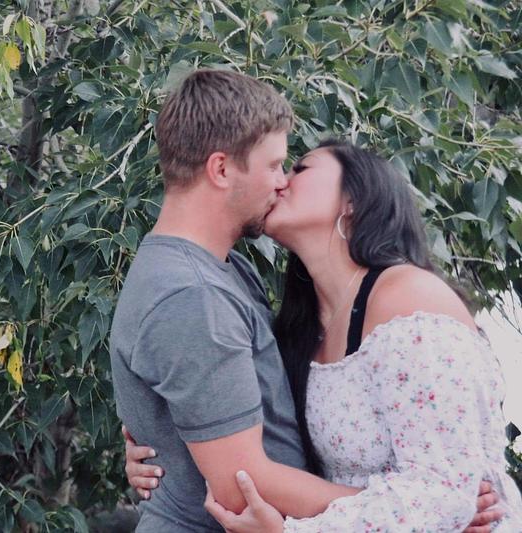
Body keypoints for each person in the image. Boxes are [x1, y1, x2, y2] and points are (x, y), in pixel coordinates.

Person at [110, 68, 505, 532]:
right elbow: (240, 483)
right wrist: (421, 512)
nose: (282, 181)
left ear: (353, 201)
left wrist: (431, 507)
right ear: (221, 169)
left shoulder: (233, 273)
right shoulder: (193, 294)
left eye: (295, 168)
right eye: (277, 165)